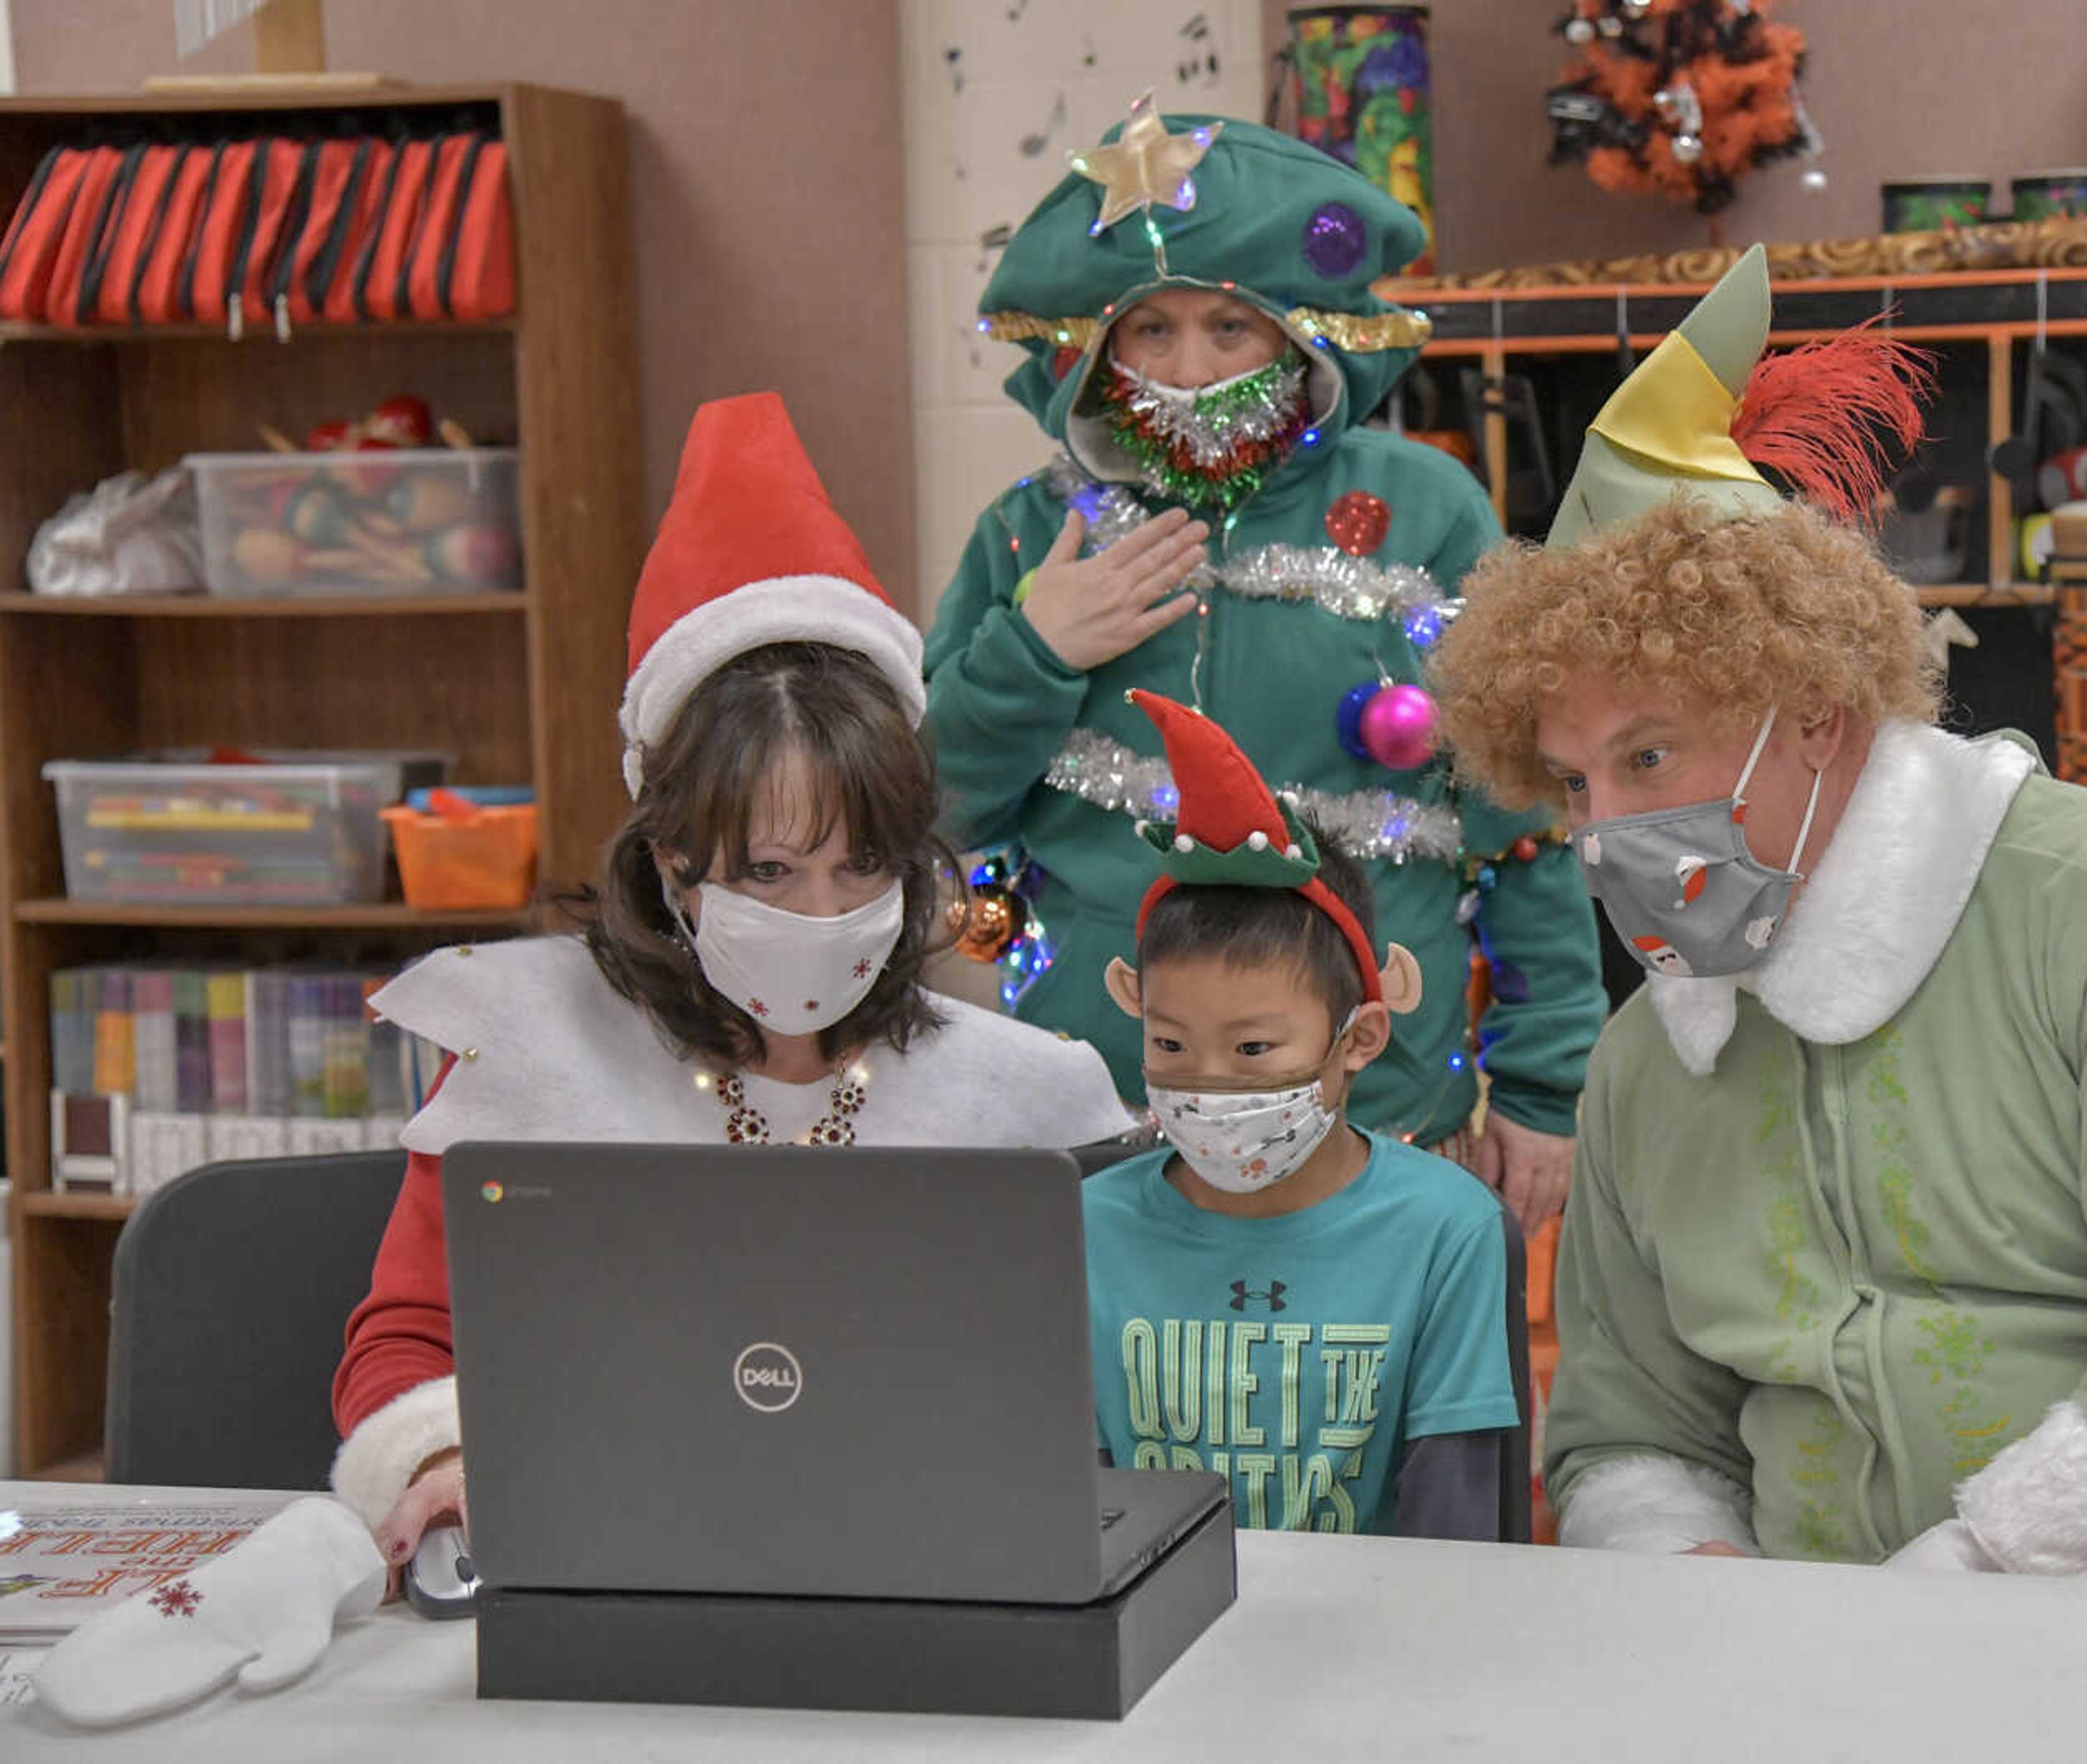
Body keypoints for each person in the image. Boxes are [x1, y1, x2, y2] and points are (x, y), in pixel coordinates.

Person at [1429, 249, 2087, 1595]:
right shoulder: (1645, 1063)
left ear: (1812, 706)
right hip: (1811, 1653)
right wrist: (1703, 1605)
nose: (1601, 830)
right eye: (1572, 781)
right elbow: (1632, 1430)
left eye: (1648, 755)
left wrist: (1930, 1629)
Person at [331, 393, 1133, 1574]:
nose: (822, 913)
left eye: (862, 866)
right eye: (769, 870)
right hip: (610, 1572)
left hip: (924, 1584)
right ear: (672, 861)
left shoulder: (1031, 1093)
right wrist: (444, 1461)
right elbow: (406, 1338)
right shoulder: (530, 1046)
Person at [924, 95, 1601, 1232]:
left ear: (1300, 335)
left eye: (1229, 329)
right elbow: (932, 807)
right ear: (1098, 347)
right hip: (1093, 1112)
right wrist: (1035, 651)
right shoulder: (1026, 532)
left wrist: (1543, 1085)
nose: (1189, 369)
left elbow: (1521, 819)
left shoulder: (1430, 510)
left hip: (1377, 1110)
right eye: (1152, 330)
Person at [1081, 689, 1522, 1538]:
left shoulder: (1445, 1232)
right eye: (1170, 1045)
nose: (1207, 1085)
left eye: (1252, 1050)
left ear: (1357, 1038)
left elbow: (1457, 1534)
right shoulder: (1083, 1228)